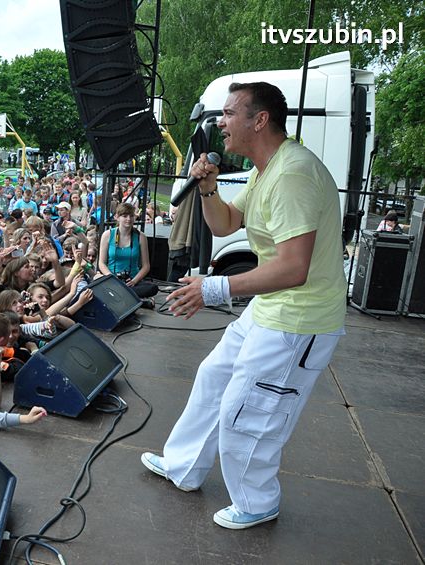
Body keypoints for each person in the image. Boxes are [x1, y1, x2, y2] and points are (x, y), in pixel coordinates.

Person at [141, 82, 345, 529]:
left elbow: (294, 268)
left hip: (299, 318)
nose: (220, 122)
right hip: (272, 307)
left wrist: (214, 289)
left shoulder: (292, 175)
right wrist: (207, 189)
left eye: (230, 113)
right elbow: (226, 223)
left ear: (260, 120)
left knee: (249, 408)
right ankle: (184, 466)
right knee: (214, 376)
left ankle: (257, 501)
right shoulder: (264, 170)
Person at [97, 202, 158, 300]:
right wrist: (111, 277)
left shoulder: (141, 237)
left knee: (152, 288)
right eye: (125, 216)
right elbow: (101, 263)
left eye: (131, 216)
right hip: (112, 279)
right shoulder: (107, 235)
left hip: (133, 281)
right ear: (117, 217)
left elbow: (146, 266)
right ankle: (132, 298)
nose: (128, 219)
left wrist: (134, 281)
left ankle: (122, 295)